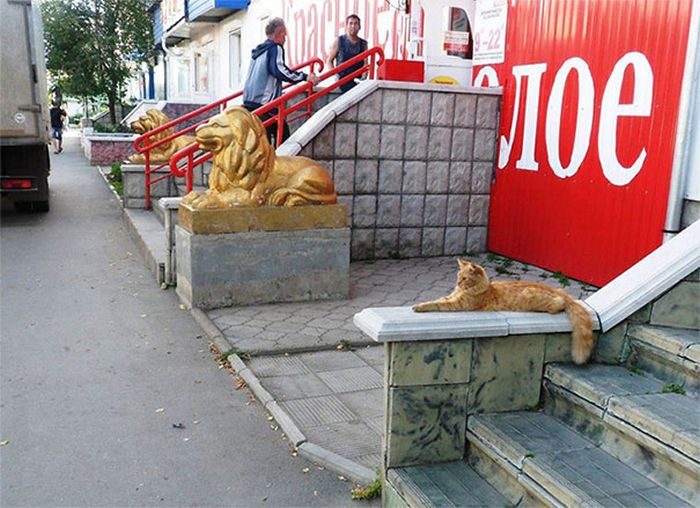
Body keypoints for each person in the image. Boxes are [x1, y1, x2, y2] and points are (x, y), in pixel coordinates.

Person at [243, 17, 319, 145]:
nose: (285, 40)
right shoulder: (275, 48)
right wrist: (305, 77)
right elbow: (280, 70)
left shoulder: (259, 51)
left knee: (264, 140)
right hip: (265, 104)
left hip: (250, 102)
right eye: (284, 36)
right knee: (283, 137)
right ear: (279, 33)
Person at [326, 14, 368, 93]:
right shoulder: (339, 41)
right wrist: (335, 75)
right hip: (343, 78)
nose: (353, 26)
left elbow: (366, 64)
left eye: (356, 24)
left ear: (359, 27)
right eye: (351, 23)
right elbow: (329, 61)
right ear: (346, 26)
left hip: (357, 79)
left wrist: (363, 78)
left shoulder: (363, 44)